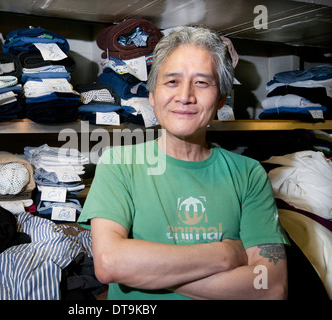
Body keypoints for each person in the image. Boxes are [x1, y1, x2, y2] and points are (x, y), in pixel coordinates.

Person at [77, 26, 289, 300]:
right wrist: (224, 255)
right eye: (172, 81)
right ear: (152, 97)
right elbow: (109, 264)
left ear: (221, 99)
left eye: (201, 82)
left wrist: (150, 274)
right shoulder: (119, 163)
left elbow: (271, 286)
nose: (185, 96)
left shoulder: (248, 173)